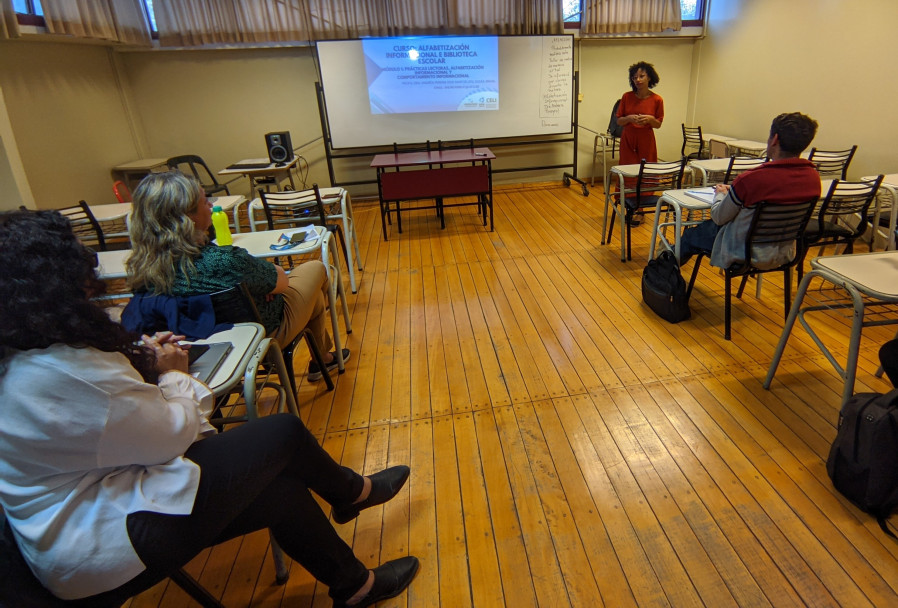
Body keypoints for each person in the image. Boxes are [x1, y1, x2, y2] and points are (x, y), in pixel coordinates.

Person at [0, 209, 418, 606]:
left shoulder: (22, 357)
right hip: (100, 542)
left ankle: (355, 586)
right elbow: (172, 436)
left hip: (77, 532)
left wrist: (141, 364)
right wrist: (177, 375)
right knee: (283, 432)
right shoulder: (62, 370)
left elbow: (109, 426)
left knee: (279, 487)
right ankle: (350, 493)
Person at [127, 171, 344, 381]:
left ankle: (322, 358)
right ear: (187, 217)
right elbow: (282, 280)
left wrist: (263, 285)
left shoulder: (140, 269)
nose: (211, 207)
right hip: (261, 334)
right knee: (316, 268)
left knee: (311, 298)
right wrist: (266, 286)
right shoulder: (223, 261)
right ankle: (321, 359)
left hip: (191, 350)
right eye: (205, 202)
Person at [678, 112, 822, 269]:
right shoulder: (813, 179)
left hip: (741, 251)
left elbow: (719, 217)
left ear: (774, 139)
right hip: (783, 252)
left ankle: (663, 266)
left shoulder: (752, 179)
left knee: (692, 234)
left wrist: (720, 194)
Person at [616, 61, 664, 167]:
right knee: (627, 167)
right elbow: (619, 121)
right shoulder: (626, 97)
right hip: (628, 139)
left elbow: (658, 125)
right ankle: (627, 184)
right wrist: (629, 118)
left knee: (647, 168)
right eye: (634, 77)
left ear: (649, 78)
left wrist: (650, 119)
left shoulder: (657, 99)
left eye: (641, 76)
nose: (638, 80)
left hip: (646, 139)